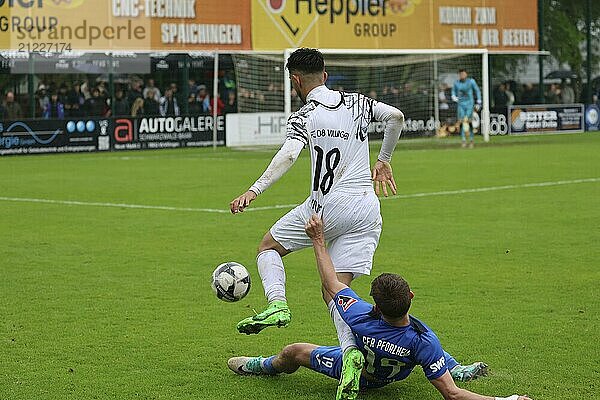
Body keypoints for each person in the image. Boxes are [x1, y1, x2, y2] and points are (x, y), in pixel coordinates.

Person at [229, 48, 404, 400]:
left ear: (295, 80)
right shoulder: (357, 103)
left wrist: (254, 189)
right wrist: (383, 160)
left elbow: (291, 154)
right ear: (325, 75)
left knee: (267, 247)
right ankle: (351, 351)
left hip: (327, 207)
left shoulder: (305, 113)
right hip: (367, 207)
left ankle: (277, 302)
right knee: (335, 290)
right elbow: (397, 116)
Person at [229, 215, 533, 400]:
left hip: (355, 365)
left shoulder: (360, 315)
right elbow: (452, 395)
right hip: (393, 374)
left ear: (375, 304)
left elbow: (331, 283)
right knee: (429, 344)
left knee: (293, 351)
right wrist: (507, 398)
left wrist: (319, 241)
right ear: (411, 296)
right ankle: (456, 368)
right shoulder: (421, 339)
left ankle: (259, 365)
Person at [451, 69, 481, 148]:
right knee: (461, 122)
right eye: (461, 74)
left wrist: (479, 101)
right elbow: (453, 91)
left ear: (466, 74)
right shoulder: (456, 83)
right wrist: (453, 96)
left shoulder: (471, 82)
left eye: (463, 74)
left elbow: (477, 90)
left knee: (468, 121)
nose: (462, 76)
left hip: (469, 104)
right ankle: (463, 140)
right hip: (461, 104)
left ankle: (471, 140)